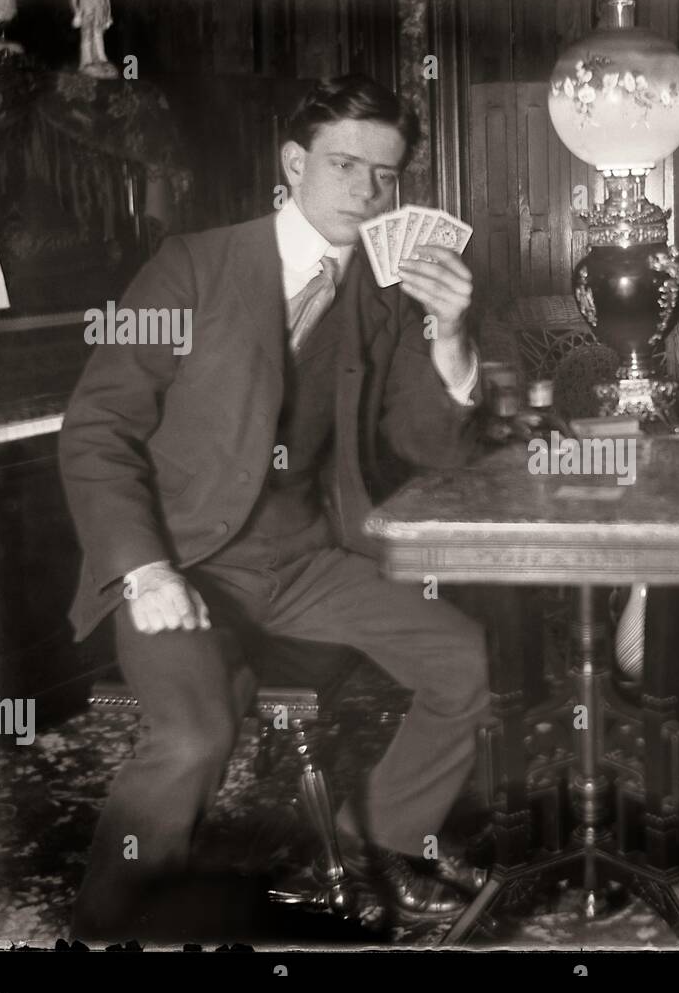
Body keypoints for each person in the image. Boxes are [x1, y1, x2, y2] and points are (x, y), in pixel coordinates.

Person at [60, 74, 489, 939]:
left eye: (387, 174)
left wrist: (451, 339)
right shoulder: (192, 264)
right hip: (179, 561)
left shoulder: (386, 290)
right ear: (294, 164)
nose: (368, 192)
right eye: (345, 165)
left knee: (464, 661)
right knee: (194, 734)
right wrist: (144, 570)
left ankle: (381, 833)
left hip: (303, 559)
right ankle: (102, 929)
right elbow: (96, 429)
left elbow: (426, 444)